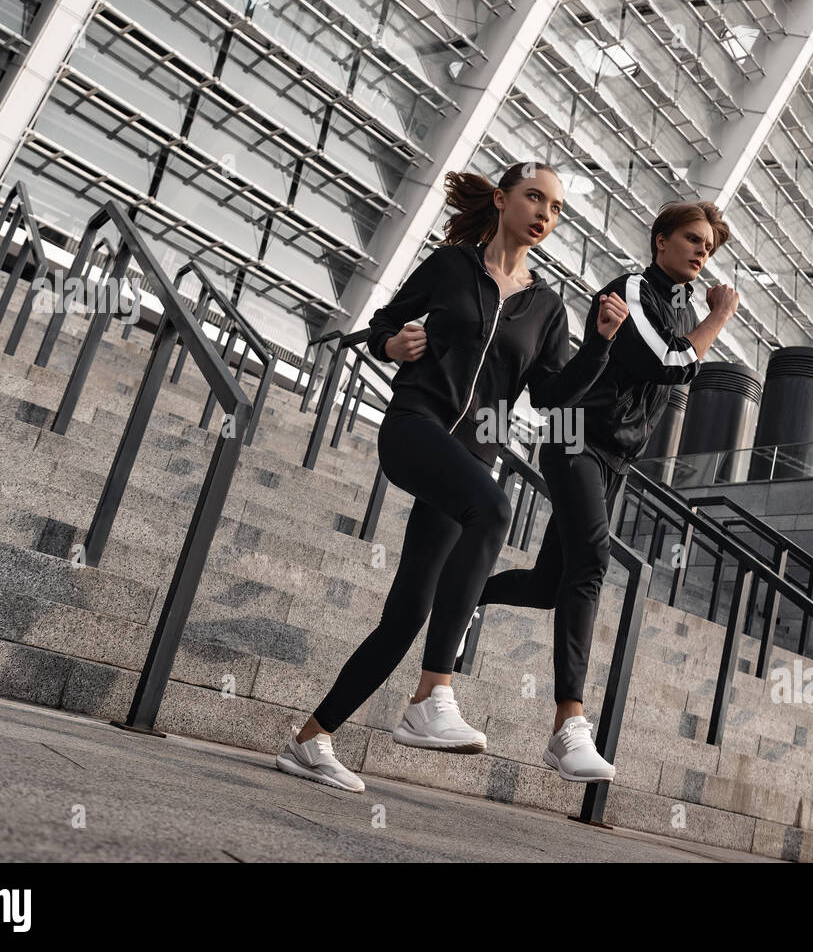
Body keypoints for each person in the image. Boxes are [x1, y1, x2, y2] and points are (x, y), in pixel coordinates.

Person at [275, 162, 630, 792]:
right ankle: (433, 691)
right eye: (533, 197)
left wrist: (600, 344)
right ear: (501, 200)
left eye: (555, 208)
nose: (545, 213)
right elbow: (384, 321)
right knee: (494, 511)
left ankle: (312, 738)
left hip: (473, 452)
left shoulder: (546, 307)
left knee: (408, 611)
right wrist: (393, 346)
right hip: (415, 424)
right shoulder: (451, 267)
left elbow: (550, 395)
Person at [475, 201, 738, 782]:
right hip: (575, 438)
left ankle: (464, 595)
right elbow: (672, 364)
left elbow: (671, 367)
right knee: (591, 560)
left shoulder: (679, 305)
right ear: (660, 239)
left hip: (614, 456)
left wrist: (702, 317)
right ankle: (568, 725)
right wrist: (719, 317)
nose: (701, 252)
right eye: (692, 239)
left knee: (550, 585)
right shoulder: (633, 290)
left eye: (709, 247)